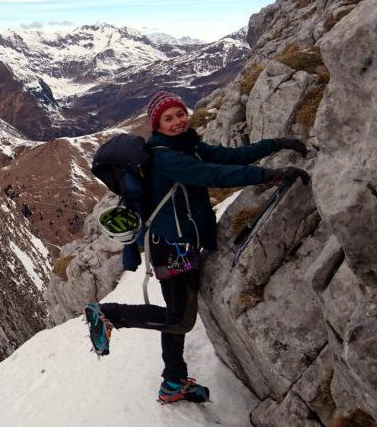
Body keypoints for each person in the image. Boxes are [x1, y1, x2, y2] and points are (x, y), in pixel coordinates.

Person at [85, 91, 309, 404]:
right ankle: (109, 314)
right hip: (172, 249)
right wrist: (267, 175)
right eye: (168, 118)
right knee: (180, 319)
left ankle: (173, 381)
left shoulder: (187, 144)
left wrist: (275, 144)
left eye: (179, 113)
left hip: (178, 245)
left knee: (175, 315)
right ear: (157, 125)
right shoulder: (166, 158)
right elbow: (214, 174)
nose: (177, 121)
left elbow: (226, 157)